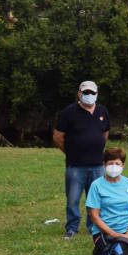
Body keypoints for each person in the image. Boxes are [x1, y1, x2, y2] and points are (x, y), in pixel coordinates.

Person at [53, 80, 110, 239]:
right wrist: (70, 152)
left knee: (96, 199)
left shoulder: (102, 111)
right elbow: (58, 137)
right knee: (73, 199)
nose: (89, 96)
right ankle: (72, 227)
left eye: (92, 93)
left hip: (98, 165)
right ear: (79, 93)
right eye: (86, 93)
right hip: (75, 165)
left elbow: (105, 133)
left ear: (97, 94)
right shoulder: (69, 112)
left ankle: (94, 226)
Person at [86, 147, 128, 255]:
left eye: (117, 163)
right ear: (104, 165)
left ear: (123, 165)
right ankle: (100, 248)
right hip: (105, 232)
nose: (114, 166)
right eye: (110, 163)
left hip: (127, 230)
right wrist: (114, 234)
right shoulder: (96, 185)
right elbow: (94, 216)